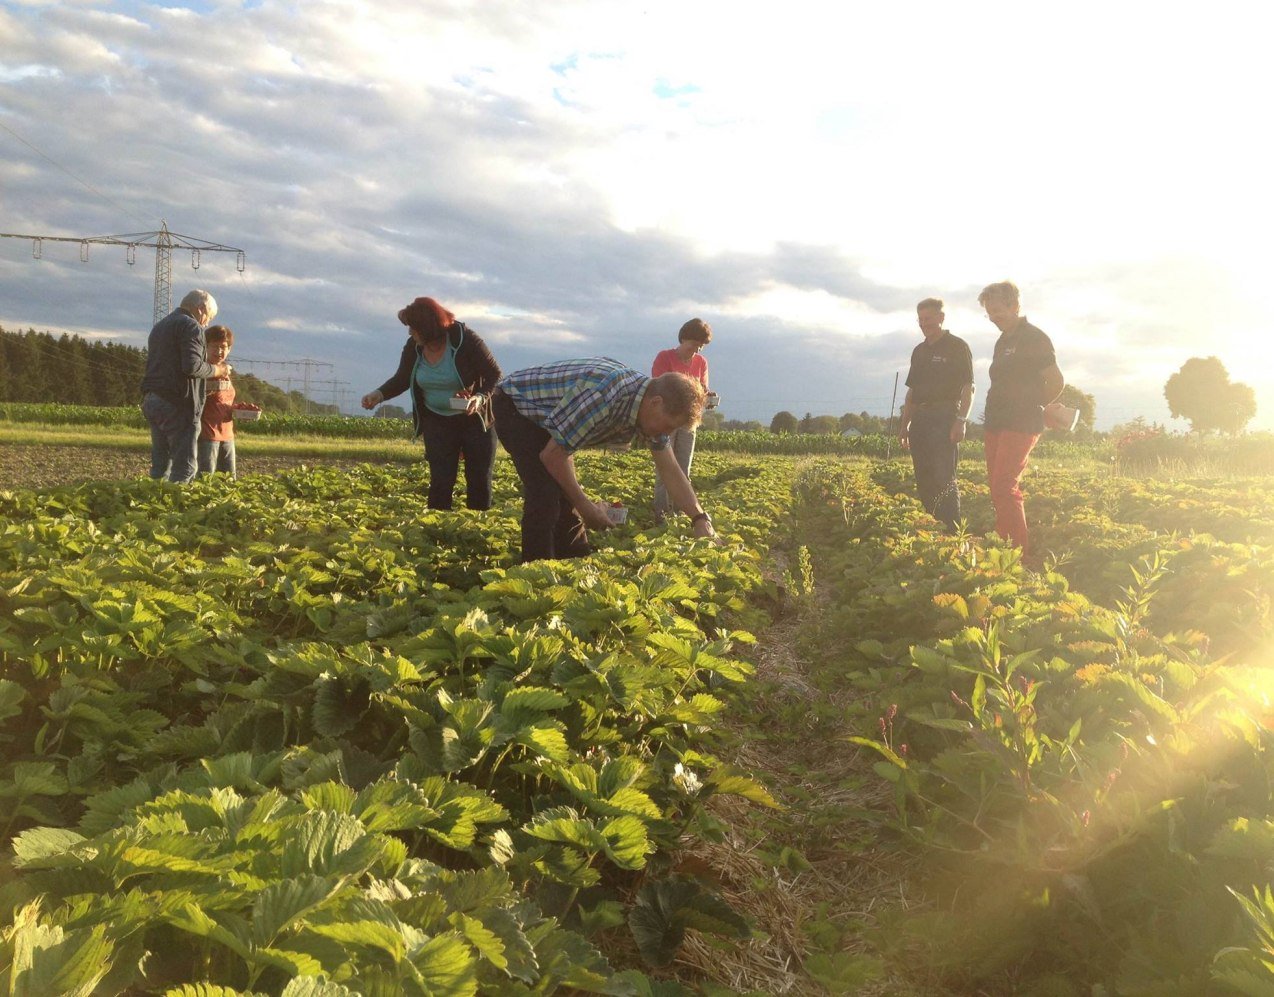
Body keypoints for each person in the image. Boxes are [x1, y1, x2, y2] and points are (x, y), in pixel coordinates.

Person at [492, 357, 716, 562]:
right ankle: (535, 572)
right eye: (668, 425)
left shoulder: (646, 411)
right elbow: (553, 455)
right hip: (518, 406)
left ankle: (574, 563)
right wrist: (587, 507)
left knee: (565, 495)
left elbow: (671, 470)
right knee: (545, 496)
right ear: (655, 402)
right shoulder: (605, 396)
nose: (666, 433)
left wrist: (699, 518)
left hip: (552, 421)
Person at [361, 296, 502, 510]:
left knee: (479, 481)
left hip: (474, 419)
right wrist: (378, 394)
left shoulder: (466, 339)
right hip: (437, 420)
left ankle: (478, 532)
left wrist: (479, 397)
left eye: (413, 328)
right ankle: (437, 530)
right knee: (441, 482)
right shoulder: (414, 346)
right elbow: (402, 378)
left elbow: (493, 374)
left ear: (427, 328)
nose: (410, 333)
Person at [979, 281, 1064, 557]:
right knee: (996, 486)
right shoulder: (1003, 340)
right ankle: (1003, 544)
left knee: (1005, 484)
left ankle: (1017, 554)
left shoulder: (1033, 337)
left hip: (1021, 423)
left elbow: (1056, 380)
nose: (993, 317)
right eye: (989, 313)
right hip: (996, 421)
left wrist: (1037, 406)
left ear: (1015, 306)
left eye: (997, 311)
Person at [898, 298, 974, 531]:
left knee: (944, 478)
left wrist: (960, 421)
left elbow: (968, 388)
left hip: (945, 416)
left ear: (941, 318)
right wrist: (904, 426)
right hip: (921, 418)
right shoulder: (919, 351)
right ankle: (933, 528)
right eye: (920, 320)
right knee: (924, 477)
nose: (924, 324)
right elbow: (912, 392)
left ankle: (952, 532)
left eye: (928, 319)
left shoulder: (957, 346)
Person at [140, 289, 228, 482]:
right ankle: (175, 510)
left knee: (161, 466)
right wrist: (217, 370)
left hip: (152, 400)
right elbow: (192, 366)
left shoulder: (160, 326)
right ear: (201, 308)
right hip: (177, 404)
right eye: (209, 317)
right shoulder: (191, 326)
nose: (207, 323)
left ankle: (152, 505)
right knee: (185, 468)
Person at [651, 318, 712, 521]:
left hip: (688, 422)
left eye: (700, 347)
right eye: (693, 345)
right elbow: (658, 388)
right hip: (667, 421)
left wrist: (708, 397)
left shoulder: (701, 363)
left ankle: (681, 514)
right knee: (664, 469)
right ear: (684, 338)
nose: (695, 350)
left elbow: (702, 390)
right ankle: (661, 514)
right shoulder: (664, 357)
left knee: (683, 469)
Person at [197, 325, 260, 478]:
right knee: (206, 480)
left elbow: (222, 402)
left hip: (227, 434)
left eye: (223, 347)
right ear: (205, 346)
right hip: (207, 435)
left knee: (229, 480)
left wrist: (239, 410)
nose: (219, 351)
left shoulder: (225, 371)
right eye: (214, 346)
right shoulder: (201, 370)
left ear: (229, 349)